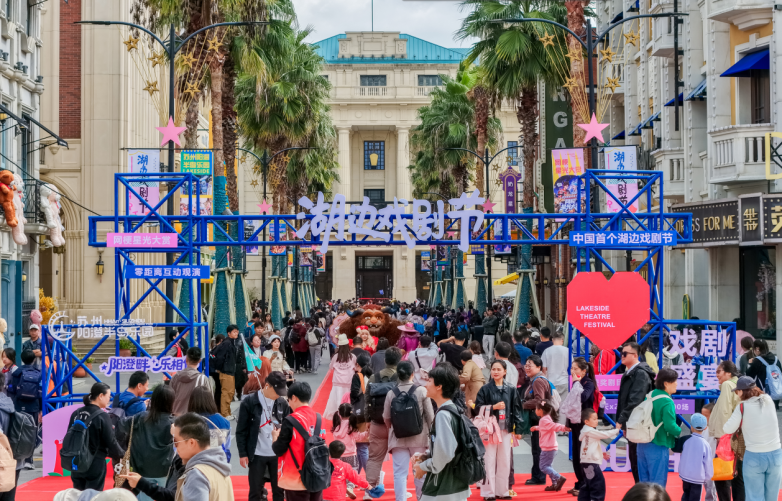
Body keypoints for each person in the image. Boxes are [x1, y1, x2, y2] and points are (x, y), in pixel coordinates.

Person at [124, 413, 233, 501]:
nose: (175, 447)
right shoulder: (220, 466)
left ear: (191, 443)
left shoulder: (197, 474)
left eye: (176, 442)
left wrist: (142, 483)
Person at [413, 364, 471, 501]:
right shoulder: (452, 409)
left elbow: (446, 453)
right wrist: (427, 455)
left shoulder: (443, 414)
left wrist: (424, 467)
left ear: (439, 386)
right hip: (453, 484)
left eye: (429, 380)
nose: (426, 384)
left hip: (443, 485)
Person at [470, 359, 524, 499]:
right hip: (490, 430)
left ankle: (503, 491)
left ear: (505, 372)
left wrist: (518, 429)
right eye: (493, 369)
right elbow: (477, 409)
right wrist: (493, 407)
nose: (495, 372)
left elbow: (517, 410)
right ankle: (488, 492)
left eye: (499, 369)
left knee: (505, 460)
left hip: (505, 429)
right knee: (489, 460)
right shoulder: (485, 389)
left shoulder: (512, 389)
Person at [723, 376, 782, 501]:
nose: (737, 394)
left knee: (754, 496)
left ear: (742, 391)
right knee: (772, 496)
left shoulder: (742, 407)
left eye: (737, 391)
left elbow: (727, 429)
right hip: (776, 453)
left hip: (754, 456)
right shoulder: (768, 399)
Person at [384, 361, 434, 501]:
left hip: (398, 438)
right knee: (420, 470)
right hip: (419, 438)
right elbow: (430, 416)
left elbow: (386, 418)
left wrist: (395, 428)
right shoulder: (421, 391)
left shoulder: (391, 393)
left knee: (399, 473)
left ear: (398, 375)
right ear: (413, 374)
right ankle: (421, 498)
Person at [237, 371, 290, 501]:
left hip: (277, 455)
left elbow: (289, 426)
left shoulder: (282, 403)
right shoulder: (249, 402)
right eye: (277, 391)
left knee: (279, 491)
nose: (279, 395)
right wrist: (243, 453)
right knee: (255, 491)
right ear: (267, 385)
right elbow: (241, 430)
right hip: (257, 454)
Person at [271, 382, 326, 501]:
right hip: (318, 475)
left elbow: (279, 449)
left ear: (294, 398)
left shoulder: (290, 420)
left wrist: (275, 437)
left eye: (288, 399)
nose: (289, 403)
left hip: (296, 478)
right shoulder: (319, 418)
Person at [122, 384, 175, 501]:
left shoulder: (141, 417)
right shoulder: (173, 422)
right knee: (163, 495)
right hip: (164, 468)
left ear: (154, 400)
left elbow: (122, 425)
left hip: (141, 468)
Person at [68, 383, 124, 490]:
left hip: (76, 461)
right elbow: (110, 441)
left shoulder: (76, 413)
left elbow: (69, 436)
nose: (109, 400)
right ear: (100, 396)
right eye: (108, 396)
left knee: (78, 495)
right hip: (95, 462)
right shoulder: (102, 416)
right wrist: (122, 454)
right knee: (94, 496)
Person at [615, 342, 655, 483]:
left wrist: (621, 420)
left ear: (635, 355)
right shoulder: (631, 373)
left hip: (639, 424)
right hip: (633, 424)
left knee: (638, 462)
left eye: (625, 353)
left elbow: (635, 401)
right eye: (621, 353)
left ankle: (643, 493)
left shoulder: (640, 374)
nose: (622, 356)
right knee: (635, 460)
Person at [365, 347, 402, 492]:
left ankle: (370, 489)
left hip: (377, 422)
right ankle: (401, 490)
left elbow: (366, 399)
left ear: (385, 360)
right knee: (400, 460)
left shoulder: (374, 377)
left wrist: (368, 419)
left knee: (374, 458)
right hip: (397, 425)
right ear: (399, 362)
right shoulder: (401, 378)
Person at [636, 368, 681, 487]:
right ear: (666, 383)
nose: (677, 383)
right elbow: (670, 426)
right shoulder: (667, 401)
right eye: (675, 381)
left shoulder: (650, 395)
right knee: (657, 485)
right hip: (658, 444)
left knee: (644, 485)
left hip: (642, 443)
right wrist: (680, 431)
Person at [709, 361, 743, 501]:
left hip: (727, 437)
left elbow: (724, 411)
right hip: (738, 436)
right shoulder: (739, 385)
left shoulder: (727, 385)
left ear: (728, 373)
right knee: (737, 474)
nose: (717, 375)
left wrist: (721, 436)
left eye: (719, 371)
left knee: (722, 474)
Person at [522, 354, 552, 485]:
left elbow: (540, 400)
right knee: (538, 448)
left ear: (539, 367)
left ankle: (539, 476)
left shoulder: (538, 381)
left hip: (539, 419)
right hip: (540, 419)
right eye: (526, 365)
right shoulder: (535, 380)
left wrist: (523, 404)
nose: (527, 367)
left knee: (537, 449)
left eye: (530, 365)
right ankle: (537, 475)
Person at [568, 358, 597, 497]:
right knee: (576, 453)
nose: (572, 371)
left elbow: (583, 397)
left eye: (575, 369)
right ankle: (580, 482)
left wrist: (576, 383)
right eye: (572, 368)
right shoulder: (577, 383)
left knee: (584, 454)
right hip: (575, 422)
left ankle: (586, 484)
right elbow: (570, 404)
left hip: (585, 423)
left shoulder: (587, 383)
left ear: (584, 371)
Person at [578, 408, 620, 501]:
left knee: (588, 484)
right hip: (591, 462)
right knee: (598, 484)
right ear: (586, 421)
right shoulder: (590, 431)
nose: (597, 421)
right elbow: (605, 435)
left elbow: (593, 445)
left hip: (585, 461)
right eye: (594, 419)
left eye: (597, 418)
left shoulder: (586, 431)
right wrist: (616, 430)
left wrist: (602, 453)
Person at [530, 401, 570, 492]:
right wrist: (537, 428)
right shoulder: (546, 419)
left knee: (543, 466)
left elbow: (554, 426)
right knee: (548, 466)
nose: (535, 410)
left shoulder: (543, 420)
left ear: (540, 410)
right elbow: (546, 427)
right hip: (551, 447)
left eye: (536, 409)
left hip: (548, 448)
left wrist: (564, 428)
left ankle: (558, 477)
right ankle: (555, 484)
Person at [188, 386, 232, 462]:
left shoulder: (186, 422)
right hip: (218, 463)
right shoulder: (224, 422)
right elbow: (226, 445)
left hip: (194, 464)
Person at [212, 324, 247, 418]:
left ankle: (228, 412)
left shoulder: (230, 342)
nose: (237, 333)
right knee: (227, 393)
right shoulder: (227, 343)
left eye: (237, 331)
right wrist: (220, 368)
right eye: (234, 332)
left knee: (230, 392)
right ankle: (224, 413)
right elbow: (220, 357)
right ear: (229, 333)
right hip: (226, 371)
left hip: (230, 371)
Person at [332, 403, 369, 490]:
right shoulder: (350, 425)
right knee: (352, 469)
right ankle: (350, 486)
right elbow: (358, 437)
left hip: (339, 454)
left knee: (341, 470)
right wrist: (367, 433)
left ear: (339, 413)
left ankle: (343, 485)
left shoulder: (337, 425)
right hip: (350, 453)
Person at [679, 413, 713, 501]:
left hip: (685, 476)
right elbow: (708, 462)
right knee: (695, 498)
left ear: (691, 426)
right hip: (698, 478)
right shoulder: (706, 444)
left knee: (685, 494)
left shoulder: (685, 439)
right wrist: (707, 477)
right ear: (705, 428)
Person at [324, 335, 358, 419]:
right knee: (348, 400)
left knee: (338, 400)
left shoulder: (336, 357)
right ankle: (348, 414)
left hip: (337, 382)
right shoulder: (352, 357)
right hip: (348, 381)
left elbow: (331, 367)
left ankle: (338, 415)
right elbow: (356, 367)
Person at [170, 347, 210, 417]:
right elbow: (209, 401)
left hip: (176, 417)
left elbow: (169, 398)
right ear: (199, 361)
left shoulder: (175, 377)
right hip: (195, 419)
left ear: (186, 359)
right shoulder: (203, 379)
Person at [350, 354, 372, 475]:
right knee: (362, 446)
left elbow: (353, 394)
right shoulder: (373, 375)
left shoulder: (357, 376)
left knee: (361, 446)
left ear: (358, 364)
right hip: (370, 412)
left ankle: (369, 477)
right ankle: (356, 476)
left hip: (360, 413)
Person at [746, 339, 782, 408]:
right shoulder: (776, 360)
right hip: (775, 394)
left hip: (763, 395)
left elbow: (749, 376)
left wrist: (750, 364)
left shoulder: (757, 361)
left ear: (757, 348)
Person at [7, 350, 41, 422]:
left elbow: (13, 389)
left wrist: (7, 387)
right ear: (34, 359)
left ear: (22, 359)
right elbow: (40, 391)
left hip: (19, 405)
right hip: (34, 406)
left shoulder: (17, 372)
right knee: (32, 428)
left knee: (19, 429)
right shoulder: (38, 373)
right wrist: (41, 409)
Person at [542, 330, 570, 415]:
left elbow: (544, 369)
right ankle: (561, 426)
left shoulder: (547, 351)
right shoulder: (568, 351)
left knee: (552, 406)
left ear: (552, 340)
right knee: (563, 407)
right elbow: (571, 367)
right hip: (564, 382)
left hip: (551, 383)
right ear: (562, 340)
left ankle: (552, 426)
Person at [458, 350, 484, 416]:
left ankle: (471, 421)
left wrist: (455, 379)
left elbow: (466, 377)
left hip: (475, 387)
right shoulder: (472, 363)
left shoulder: (468, 364)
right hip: (476, 385)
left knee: (471, 406)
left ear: (462, 360)